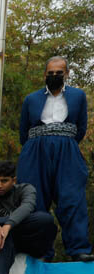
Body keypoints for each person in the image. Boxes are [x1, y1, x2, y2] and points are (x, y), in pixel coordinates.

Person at [16, 56, 91, 262]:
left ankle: (78, 249)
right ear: (44, 75)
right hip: (35, 151)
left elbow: (81, 128)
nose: (54, 76)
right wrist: (37, 146)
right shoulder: (31, 99)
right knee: (35, 199)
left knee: (71, 197)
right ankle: (41, 252)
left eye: (59, 72)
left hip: (67, 150)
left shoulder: (78, 96)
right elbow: (23, 131)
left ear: (66, 74)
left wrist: (62, 141)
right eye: (50, 73)